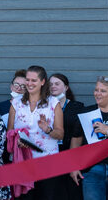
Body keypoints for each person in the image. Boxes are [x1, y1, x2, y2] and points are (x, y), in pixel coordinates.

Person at [8, 65, 65, 200]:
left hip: (48, 162)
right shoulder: (16, 103)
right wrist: (17, 140)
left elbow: (60, 134)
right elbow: (9, 131)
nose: (29, 83)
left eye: (34, 80)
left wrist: (48, 130)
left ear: (42, 82)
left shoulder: (53, 103)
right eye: (28, 80)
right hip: (23, 163)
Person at [51, 73, 85, 200]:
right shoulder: (43, 107)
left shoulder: (77, 107)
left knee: (71, 192)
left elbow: (79, 134)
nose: (53, 86)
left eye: (57, 83)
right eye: (50, 84)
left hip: (70, 155)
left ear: (66, 87)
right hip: (51, 156)